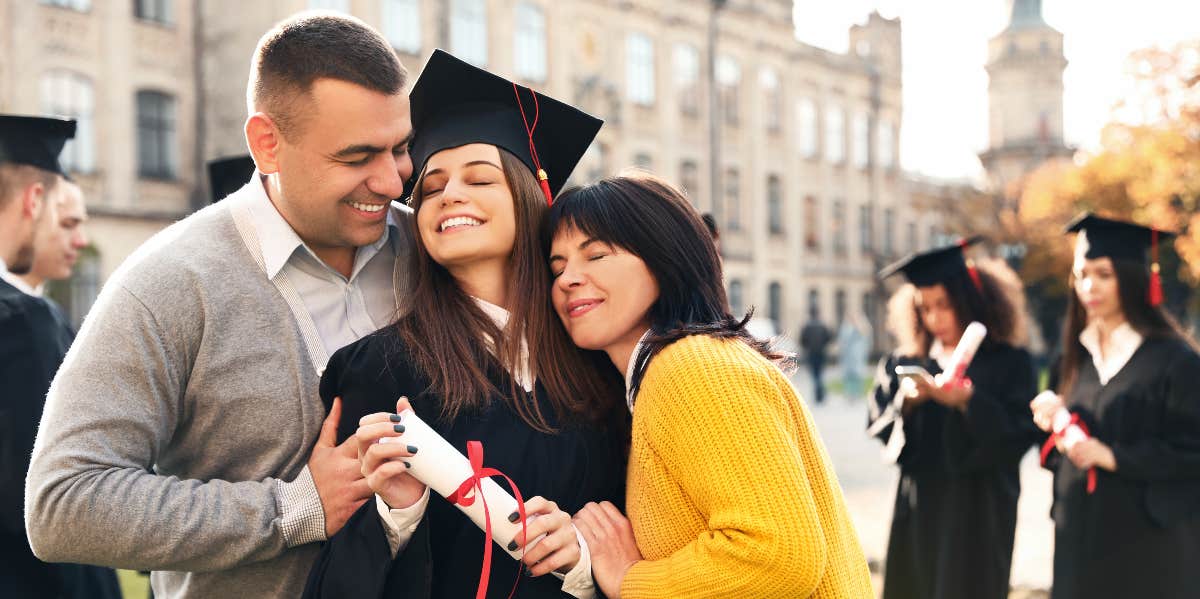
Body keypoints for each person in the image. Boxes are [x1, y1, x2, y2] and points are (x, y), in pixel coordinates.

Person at [25, 13, 417, 598]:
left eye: (401, 148)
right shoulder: (171, 281)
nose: (391, 181)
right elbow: (63, 502)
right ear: (267, 144)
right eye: (357, 157)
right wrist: (291, 510)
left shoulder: (429, 251)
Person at [302, 49, 627, 599]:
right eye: (431, 187)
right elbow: (338, 579)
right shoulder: (381, 370)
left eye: (479, 179)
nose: (450, 193)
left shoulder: (596, 358)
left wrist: (583, 557)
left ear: (530, 199)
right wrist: (396, 513)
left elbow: (644, 525)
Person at [548, 175, 873, 598]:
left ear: (663, 258)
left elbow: (776, 553)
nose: (568, 278)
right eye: (557, 267)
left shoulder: (690, 367)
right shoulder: (671, 371)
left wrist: (630, 579)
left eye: (595, 255)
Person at [1030, 213, 1200, 599]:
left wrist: (1114, 456)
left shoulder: (1176, 362)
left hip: (1149, 547)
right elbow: (1061, 457)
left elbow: (1193, 454)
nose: (1089, 286)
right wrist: (1055, 427)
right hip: (1079, 540)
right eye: (1081, 274)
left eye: (1103, 274)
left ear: (1134, 276)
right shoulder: (1073, 359)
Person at [867, 239, 1038, 599]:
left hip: (979, 509)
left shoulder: (1008, 362)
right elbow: (879, 423)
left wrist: (969, 402)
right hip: (919, 506)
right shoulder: (905, 363)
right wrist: (907, 402)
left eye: (944, 305)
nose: (934, 318)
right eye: (924, 308)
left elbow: (1020, 434)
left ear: (970, 300)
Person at [0, 115, 120, 599]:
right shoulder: (24, 321)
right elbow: (51, 499)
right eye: (65, 220)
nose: (77, 239)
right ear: (35, 201)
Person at [800, 307, 833, 403]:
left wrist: (808, 347)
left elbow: (802, 340)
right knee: (820, 374)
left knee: (814, 375)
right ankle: (820, 393)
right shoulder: (823, 325)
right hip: (821, 353)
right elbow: (829, 338)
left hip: (811, 353)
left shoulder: (807, 326)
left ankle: (818, 393)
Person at [837, 310, 871, 398]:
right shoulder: (845, 328)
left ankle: (857, 393)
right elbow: (842, 342)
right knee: (848, 376)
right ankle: (849, 393)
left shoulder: (860, 328)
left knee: (857, 375)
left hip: (857, 356)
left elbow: (866, 339)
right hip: (848, 357)